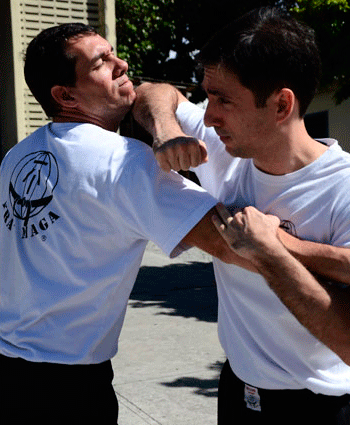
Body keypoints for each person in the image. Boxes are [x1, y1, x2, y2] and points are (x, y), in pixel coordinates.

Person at [0, 22, 350, 424]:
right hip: (68, 385)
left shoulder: (18, 156)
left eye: (222, 99)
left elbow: (155, 93)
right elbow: (232, 244)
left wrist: (167, 129)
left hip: (7, 366)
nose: (122, 63)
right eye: (102, 62)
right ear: (65, 95)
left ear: (281, 105)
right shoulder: (127, 161)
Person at [132, 7, 350, 423]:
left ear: (281, 104)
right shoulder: (221, 147)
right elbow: (154, 92)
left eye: (224, 100)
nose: (209, 116)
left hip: (322, 406)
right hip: (239, 393)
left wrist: (274, 249)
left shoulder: (342, 188)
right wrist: (165, 127)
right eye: (207, 96)